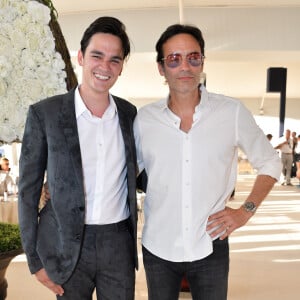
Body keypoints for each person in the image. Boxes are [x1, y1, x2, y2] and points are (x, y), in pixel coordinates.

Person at [134, 23, 282, 300]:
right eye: (174, 59)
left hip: (211, 246)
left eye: (193, 57)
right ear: (161, 68)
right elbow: (123, 170)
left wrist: (245, 211)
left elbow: (270, 162)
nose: (185, 67)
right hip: (158, 247)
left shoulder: (231, 112)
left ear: (202, 60)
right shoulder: (144, 119)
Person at [18, 16, 138, 300]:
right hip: (64, 244)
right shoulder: (44, 114)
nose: (104, 67)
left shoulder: (130, 115)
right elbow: (27, 192)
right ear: (81, 57)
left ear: (121, 67)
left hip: (118, 244)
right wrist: (35, 261)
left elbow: (143, 172)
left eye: (115, 60)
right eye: (97, 55)